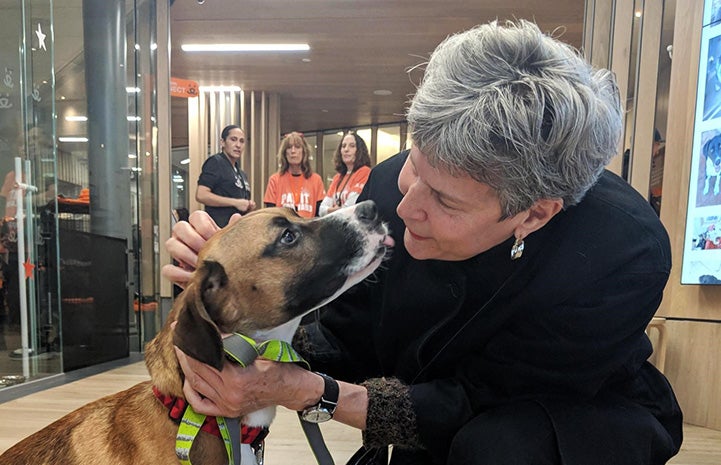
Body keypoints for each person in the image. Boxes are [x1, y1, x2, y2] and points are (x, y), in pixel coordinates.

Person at [164, 20, 682, 465]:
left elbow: (479, 402)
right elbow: (347, 336)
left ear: (535, 213)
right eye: (414, 164)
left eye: (446, 201)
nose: (406, 207)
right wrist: (233, 301)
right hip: (423, 403)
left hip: (560, 417)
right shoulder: (392, 186)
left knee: (498, 448)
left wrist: (312, 394)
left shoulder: (622, 256)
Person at [196, 125, 255, 227]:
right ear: (223, 142)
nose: (238, 145)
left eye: (242, 141)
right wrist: (236, 203)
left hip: (237, 229)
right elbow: (201, 195)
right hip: (219, 229)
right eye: (233, 140)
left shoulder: (241, 173)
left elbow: (240, 203)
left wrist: (248, 205)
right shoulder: (216, 162)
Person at [263, 131, 325, 218]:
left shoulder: (316, 180)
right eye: (289, 147)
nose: (293, 151)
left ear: (304, 152)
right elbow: (269, 216)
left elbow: (319, 215)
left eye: (297, 147)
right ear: (285, 153)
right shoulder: (274, 180)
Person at [318, 131, 372, 216]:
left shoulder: (364, 172)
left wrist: (331, 210)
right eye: (343, 146)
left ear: (359, 150)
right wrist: (338, 210)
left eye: (352, 146)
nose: (346, 149)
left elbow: (351, 207)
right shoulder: (337, 178)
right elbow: (321, 210)